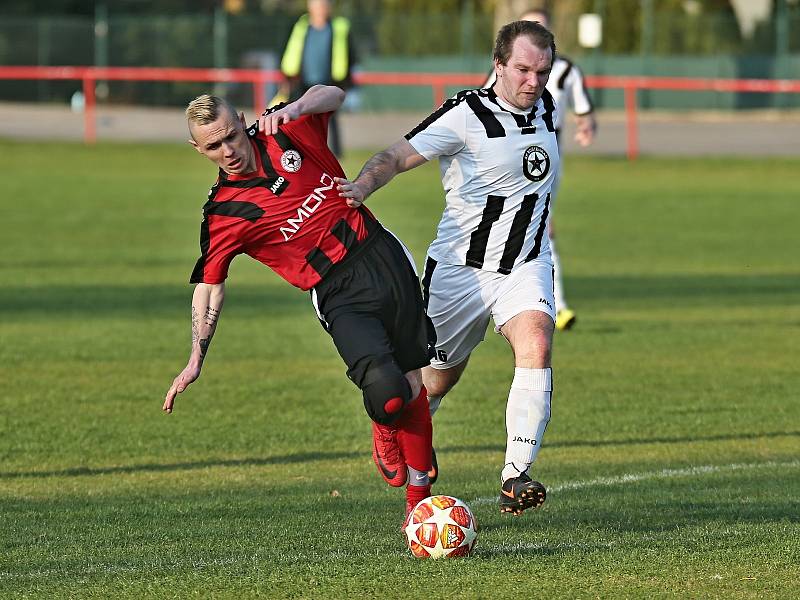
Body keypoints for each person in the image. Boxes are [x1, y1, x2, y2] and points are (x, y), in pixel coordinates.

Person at [163, 84, 434, 519]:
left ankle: (418, 507)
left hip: (382, 255)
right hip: (336, 291)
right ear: (199, 149)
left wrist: (297, 107)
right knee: (388, 394)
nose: (229, 149)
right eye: (214, 145)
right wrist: (196, 357)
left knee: (414, 386)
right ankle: (385, 428)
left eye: (232, 134)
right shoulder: (224, 213)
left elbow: (334, 94)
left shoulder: (283, 129)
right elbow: (211, 284)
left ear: (241, 123)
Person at [336, 21, 558, 516]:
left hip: (525, 265)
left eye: (542, 72)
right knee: (434, 382)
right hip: (460, 272)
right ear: (498, 64)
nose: (533, 82)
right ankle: (392, 427)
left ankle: (514, 475)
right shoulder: (465, 114)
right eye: (522, 69)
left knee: (537, 341)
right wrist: (362, 187)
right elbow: (395, 156)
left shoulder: (546, 106)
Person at [485, 8, 596, 331]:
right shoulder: (507, 70)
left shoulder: (565, 72)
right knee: (524, 227)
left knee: (541, 227)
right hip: (508, 155)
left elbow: (583, 109)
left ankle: (552, 305)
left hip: (547, 157)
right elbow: (483, 103)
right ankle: (528, 301)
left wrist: (585, 126)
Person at [279, 0, 357, 157]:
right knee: (295, 116)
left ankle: (335, 153)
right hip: (301, 82)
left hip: (329, 82)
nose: (320, 9)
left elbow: (350, 55)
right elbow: (289, 51)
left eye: (324, 5)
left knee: (330, 120)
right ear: (310, 7)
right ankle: (293, 151)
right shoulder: (300, 27)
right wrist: (288, 77)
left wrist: (345, 82)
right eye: (317, 5)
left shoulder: (339, 28)